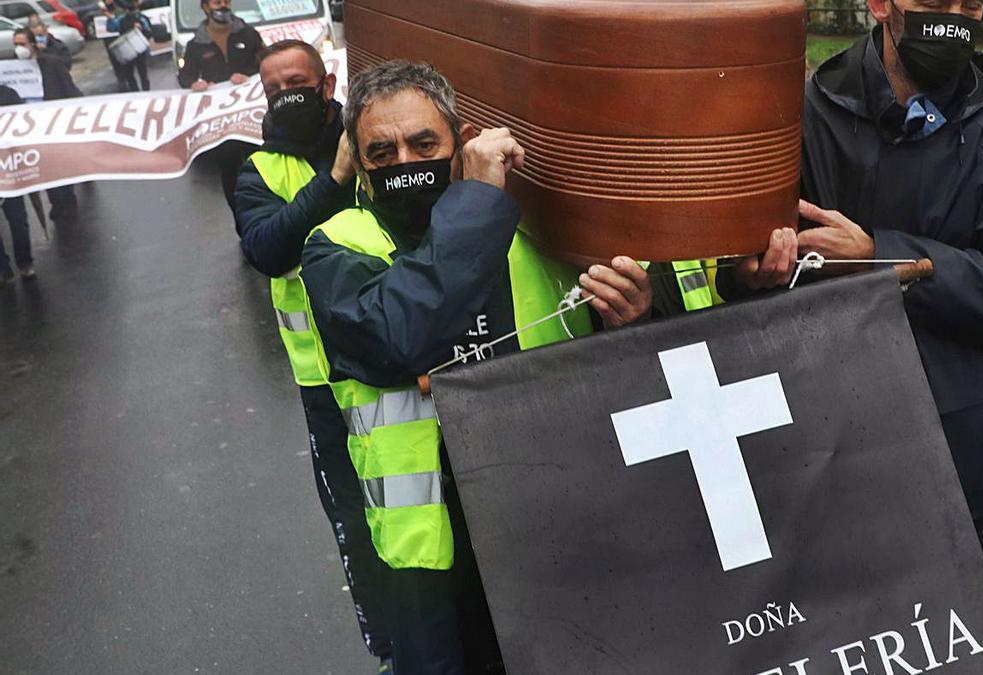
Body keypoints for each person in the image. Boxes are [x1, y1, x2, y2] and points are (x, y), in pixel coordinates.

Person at [300, 60, 653, 673]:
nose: (405, 162)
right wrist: (478, 198)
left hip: (554, 523)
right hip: (429, 558)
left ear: (460, 142)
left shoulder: (538, 232)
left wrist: (631, 315)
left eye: (423, 144)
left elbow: (614, 358)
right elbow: (397, 335)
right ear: (359, 165)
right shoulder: (336, 245)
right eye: (381, 152)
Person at [720, 0, 983, 601]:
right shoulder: (799, 114)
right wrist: (751, 271)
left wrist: (881, 255)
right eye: (933, 4)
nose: (953, 18)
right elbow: (737, 269)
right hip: (822, 449)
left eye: (968, 4)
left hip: (958, 456)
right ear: (881, 5)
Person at [232, 40, 395, 670]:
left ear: (327, 84)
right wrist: (335, 181)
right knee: (355, 516)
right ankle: (387, 645)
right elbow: (268, 249)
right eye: (275, 91)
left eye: (297, 83)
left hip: (403, 357)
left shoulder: (375, 134)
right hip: (325, 381)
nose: (288, 97)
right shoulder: (257, 172)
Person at [177, 0, 264, 214]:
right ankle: (239, 216)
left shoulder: (248, 34)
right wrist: (194, 84)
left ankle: (265, 211)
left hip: (251, 114)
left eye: (226, 1)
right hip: (221, 120)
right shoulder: (196, 44)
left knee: (261, 162)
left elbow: (266, 61)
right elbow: (185, 75)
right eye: (217, 2)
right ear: (205, 8)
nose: (223, 5)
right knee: (229, 168)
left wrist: (249, 76)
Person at [13, 27, 80, 223]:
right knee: (43, 166)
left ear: (33, 44)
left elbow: (70, 90)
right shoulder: (13, 69)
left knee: (60, 164)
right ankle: (57, 202)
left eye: (22, 44)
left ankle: (67, 198)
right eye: (16, 45)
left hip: (54, 123)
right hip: (29, 128)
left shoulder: (51, 63)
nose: (19, 49)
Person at [0, 84, 35, 285]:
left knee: (18, 221)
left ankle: (25, 263)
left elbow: (25, 123)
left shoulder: (7, 94)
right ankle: (2, 268)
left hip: (10, 172)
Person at [104, 0, 152, 92]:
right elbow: (111, 28)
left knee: (142, 74)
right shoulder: (122, 19)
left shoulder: (142, 18)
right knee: (131, 74)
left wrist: (141, 28)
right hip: (127, 50)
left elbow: (149, 33)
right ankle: (136, 92)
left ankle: (145, 92)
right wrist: (110, 18)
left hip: (139, 49)